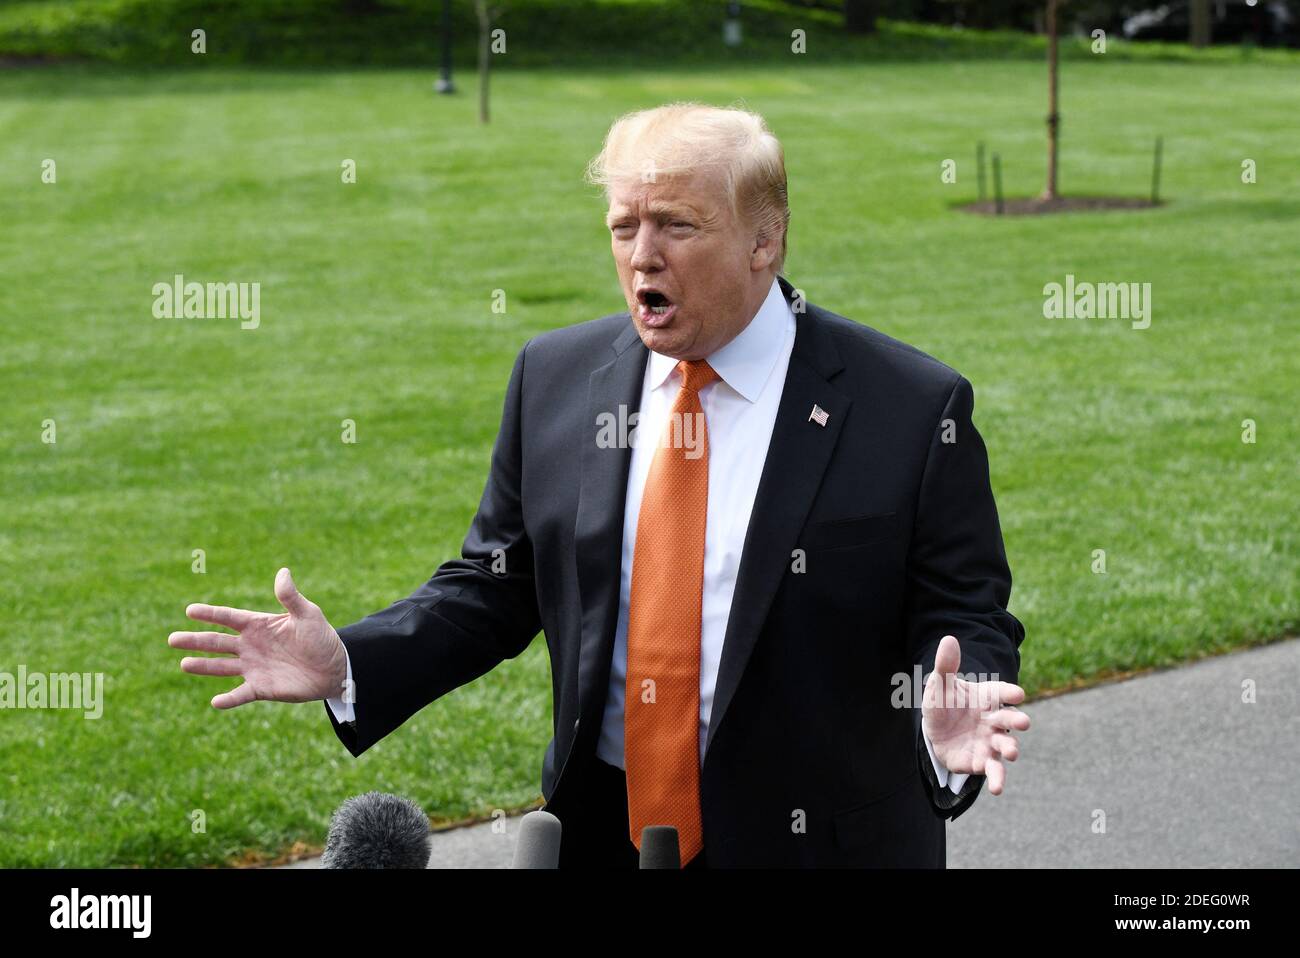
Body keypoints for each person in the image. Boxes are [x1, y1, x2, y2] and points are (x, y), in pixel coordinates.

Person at [169, 102, 1029, 868]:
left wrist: (943, 714)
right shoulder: (557, 377)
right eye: (624, 227)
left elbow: (964, 611)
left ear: (765, 240)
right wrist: (354, 658)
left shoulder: (909, 407)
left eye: (676, 226)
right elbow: (494, 585)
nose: (642, 255)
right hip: (602, 835)